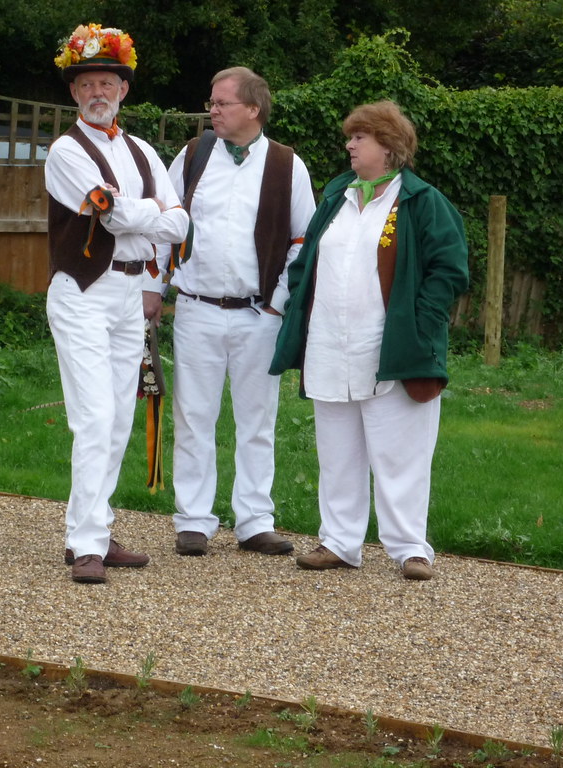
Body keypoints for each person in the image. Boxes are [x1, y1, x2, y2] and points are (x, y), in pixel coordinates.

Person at [270, 101, 469, 581]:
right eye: (351, 137)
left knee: (401, 453)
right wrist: (300, 298)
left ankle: (410, 549)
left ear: (389, 146)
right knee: (337, 452)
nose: (349, 145)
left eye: (360, 137)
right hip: (329, 346)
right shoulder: (339, 192)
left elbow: (449, 269)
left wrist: (419, 324)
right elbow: (309, 256)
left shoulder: (422, 201)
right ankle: (339, 542)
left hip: (393, 349)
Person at [46, 23, 190, 583]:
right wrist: (153, 211)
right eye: (87, 85)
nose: (97, 93)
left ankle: (94, 528)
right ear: (75, 93)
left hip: (132, 294)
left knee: (121, 419)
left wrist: (148, 211)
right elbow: (111, 214)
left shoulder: (144, 151)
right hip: (82, 292)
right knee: (94, 416)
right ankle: (86, 545)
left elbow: (180, 223)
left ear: (123, 90)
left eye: (107, 82)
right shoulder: (65, 151)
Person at [157, 67, 316, 557]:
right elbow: (164, 225)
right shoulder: (193, 155)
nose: (213, 109)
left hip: (258, 315)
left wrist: (276, 304)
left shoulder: (288, 166)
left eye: (222, 102)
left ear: (253, 109)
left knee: (257, 421)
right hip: (197, 309)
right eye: (212, 100)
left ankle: (254, 522)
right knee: (193, 416)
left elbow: (302, 240)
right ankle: (194, 521)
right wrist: (156, 289)